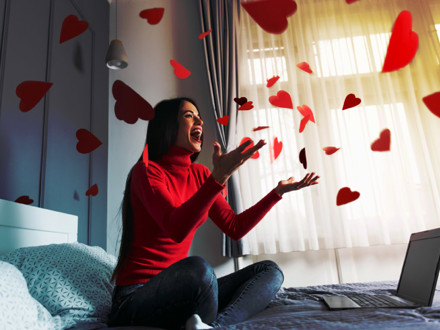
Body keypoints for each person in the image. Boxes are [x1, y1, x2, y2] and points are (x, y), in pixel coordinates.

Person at [107, 97, 319, 329]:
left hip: (180, 293)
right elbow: (176, 228)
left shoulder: (200, 174)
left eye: (198, 115)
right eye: (189, 115)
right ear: (167, 125)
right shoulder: (147, 171)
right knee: (199, 269)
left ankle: (215, 327)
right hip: (133, 299)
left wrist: (276, 193)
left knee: (268, 270)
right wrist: (218, 179)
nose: (199, 119)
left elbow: (234, 227)